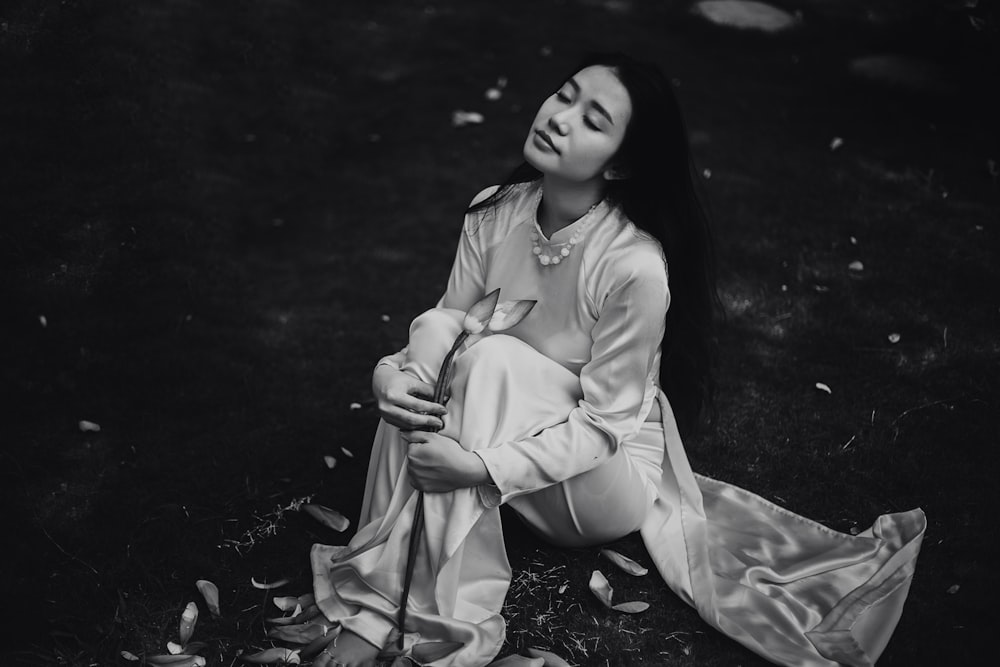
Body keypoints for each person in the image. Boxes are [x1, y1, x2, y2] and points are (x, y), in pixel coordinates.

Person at [309, 53, 926, 667]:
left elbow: (604, 427)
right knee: (447, 334)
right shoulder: (495, 209)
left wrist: (479, 470)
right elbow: (440, 335)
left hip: (598, 487)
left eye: (593, 119)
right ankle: (383, 593)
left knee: (490, 357)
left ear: (623, 162)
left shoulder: (633, 265)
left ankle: (403, 612)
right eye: (564, 94)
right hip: (503, 430)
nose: (560, 117)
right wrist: (389, 377)